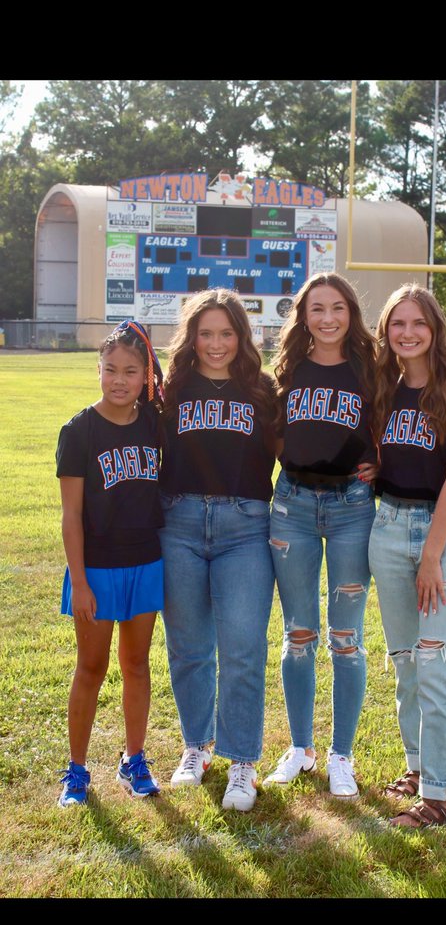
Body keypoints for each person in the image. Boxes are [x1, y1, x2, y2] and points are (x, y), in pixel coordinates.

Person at [364, 283, 446, 827]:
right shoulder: (383, 390)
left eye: (418, 323)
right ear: (386, 331)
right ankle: (419, 770)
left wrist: (433, 556)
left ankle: (443, 796)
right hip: (388, 526)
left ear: (435, 328)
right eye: (398, 323)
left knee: (438, 665)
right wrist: (372, 469)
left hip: (442, 532)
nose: (408, 333)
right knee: (406, 664)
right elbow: (388, 458)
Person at [160, 288, 277, 812]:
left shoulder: (262, 389)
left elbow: (295, 450)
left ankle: (242, 762)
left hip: (245, 526)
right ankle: (196, 746)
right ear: (191, 336)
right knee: (188, 647)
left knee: (242, 648)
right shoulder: (171, 389)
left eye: (226, 333)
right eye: (205, 333)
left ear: (241, 336)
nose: (215, 343)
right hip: (179, 522)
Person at [265, 272, 378, 798]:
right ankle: (301, 748)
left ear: (351, 313)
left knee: (346, 639)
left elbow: (388, 429)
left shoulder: (372, 370)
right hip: (292, 505)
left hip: (352, 508)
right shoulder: (287, 368)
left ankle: (342, 755)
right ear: (303, 315)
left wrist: (379, 462)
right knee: (298, 635)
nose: (328, 318)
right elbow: (274, 434)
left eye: (337, 308)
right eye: (317, 309)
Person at [56, 320, 165, 807]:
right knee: (92, 666)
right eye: (110, 370)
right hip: (96, 568)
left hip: (145, 561)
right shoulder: (78, 431)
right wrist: (79, 582)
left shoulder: (155, 424)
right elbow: (71, 515)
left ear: (146, 376)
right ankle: (77, 771)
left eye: (130, 371)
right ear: (97, 370)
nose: (119, 380)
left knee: (137, 665)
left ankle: (133, 759)